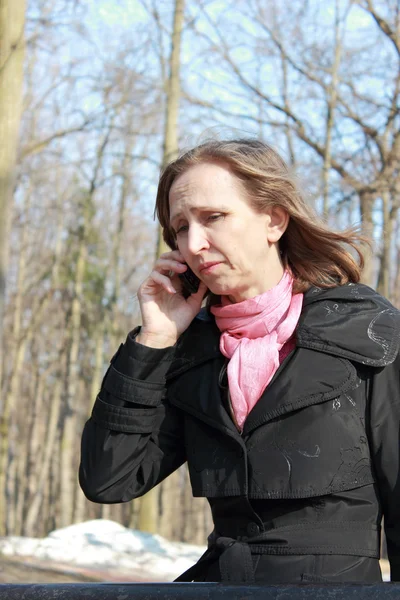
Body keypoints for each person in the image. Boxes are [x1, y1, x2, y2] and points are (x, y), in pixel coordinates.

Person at [79, 139, 400, 584]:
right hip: (218, 587)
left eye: (213, 217)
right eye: (180, 227)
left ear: (274, 220)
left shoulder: (365, 331)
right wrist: (154, 340)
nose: (194, 243)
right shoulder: (193, 349)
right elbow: (109, 479)